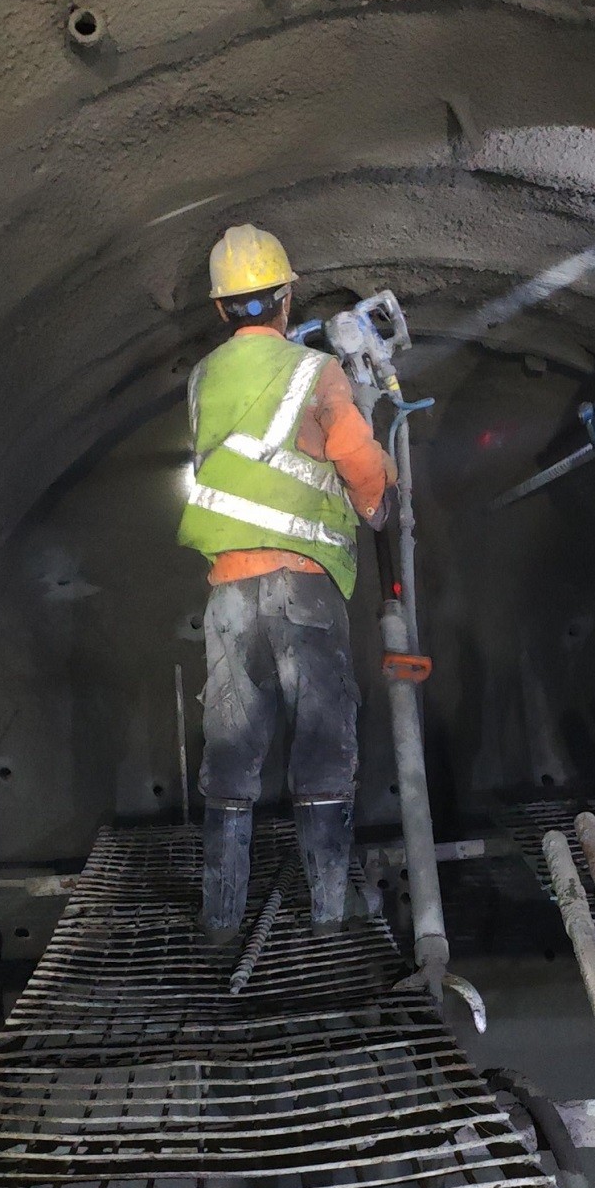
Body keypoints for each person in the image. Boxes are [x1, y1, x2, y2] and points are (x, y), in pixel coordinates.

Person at [178, 224, 393, 944]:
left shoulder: (202, 378)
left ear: (220, 310)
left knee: (232, 750)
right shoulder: (314, 372)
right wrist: (378, 503)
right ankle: (330, 912)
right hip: (302, 583)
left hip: (229, 592)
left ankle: (221, 918)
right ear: (285, 296)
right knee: (324, 738)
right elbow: (357, 457)